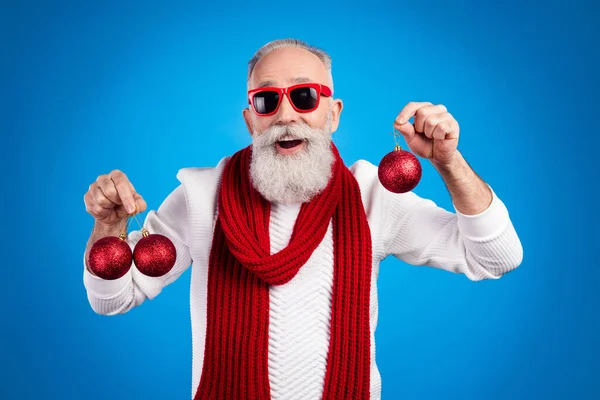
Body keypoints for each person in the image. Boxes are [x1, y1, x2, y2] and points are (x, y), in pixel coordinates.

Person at [82, 39, 523, 400]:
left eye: (305, 95)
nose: (286, 114)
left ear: (332, 114)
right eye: (267, 99)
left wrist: (449, 163)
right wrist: (107, 228)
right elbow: (113, 300)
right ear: (251, 120)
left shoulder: (374, 196)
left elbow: (496, 257)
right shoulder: (202, 196)